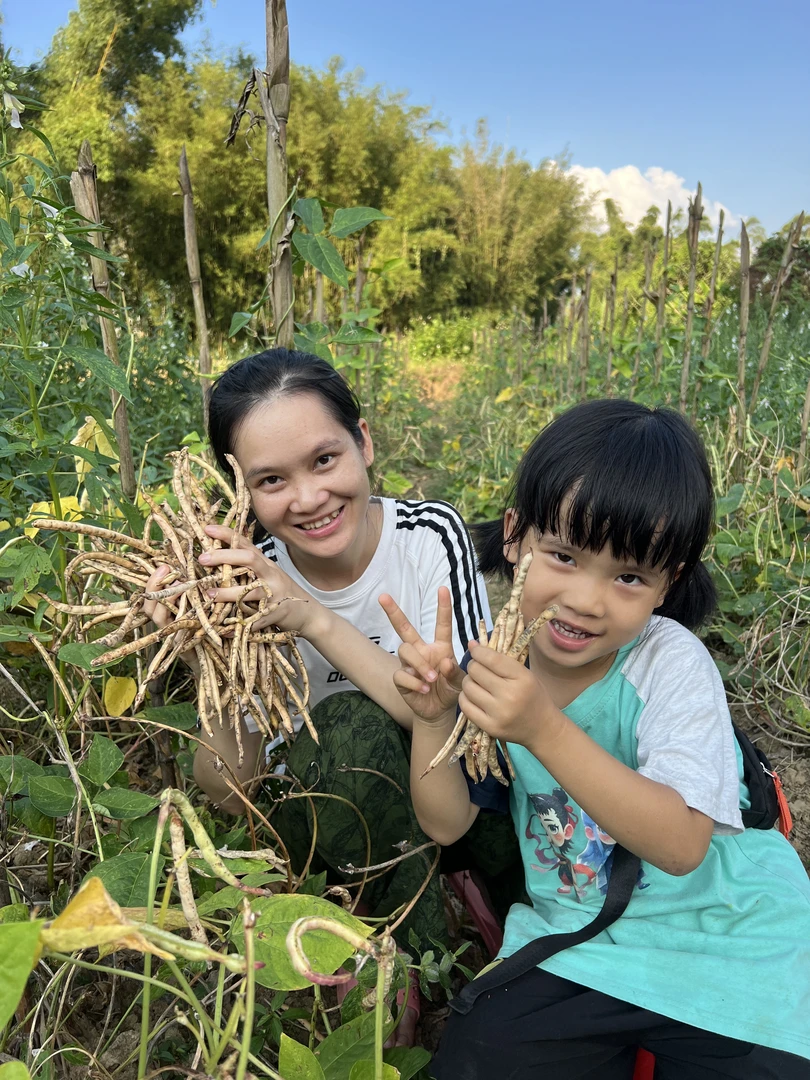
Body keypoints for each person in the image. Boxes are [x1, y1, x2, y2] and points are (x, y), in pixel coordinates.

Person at [382, 399, 810, 1077]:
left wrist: (542, 729)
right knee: (478, 1056)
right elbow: (447, 823)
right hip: (583, 941)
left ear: (669, 583)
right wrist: (434, 715)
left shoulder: (668, 665)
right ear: (517, 537)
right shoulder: (498, 663)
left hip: (726, 938)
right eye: (564, 555)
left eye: (630, 577)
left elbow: (681, 844)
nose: (586, 598)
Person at [144, 349, 519, 1040]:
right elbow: (230, 791)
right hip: (342, 826)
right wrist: (213, 656)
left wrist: (314, 618)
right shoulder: (245, 579)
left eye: (324, 460)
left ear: (364, 442)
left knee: (500, 771)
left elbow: (474, 725)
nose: (309, 497)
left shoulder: (428, 537)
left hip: (456, 793)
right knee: (348, 729)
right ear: (244, 495)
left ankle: (476, 913)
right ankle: (408, 965)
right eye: (271, 480)